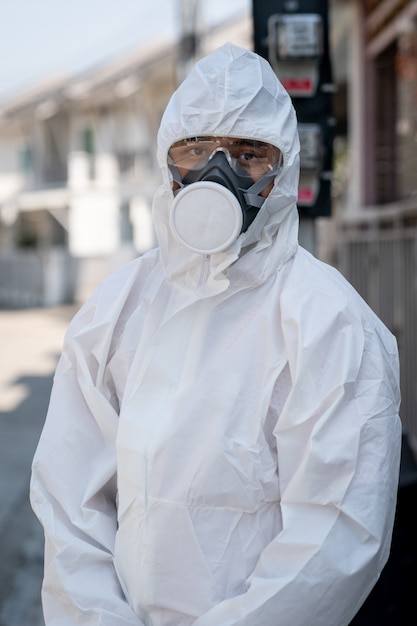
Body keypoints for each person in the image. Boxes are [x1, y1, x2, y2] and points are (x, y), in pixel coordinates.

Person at [30, 42, 402, 626]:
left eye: (249, 154)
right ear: (167, 162)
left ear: (284, 172)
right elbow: (72, 506)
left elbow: (335, 537)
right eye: (196, 149)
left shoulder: (331, 322)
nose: (219, 172)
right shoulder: (115, 311)